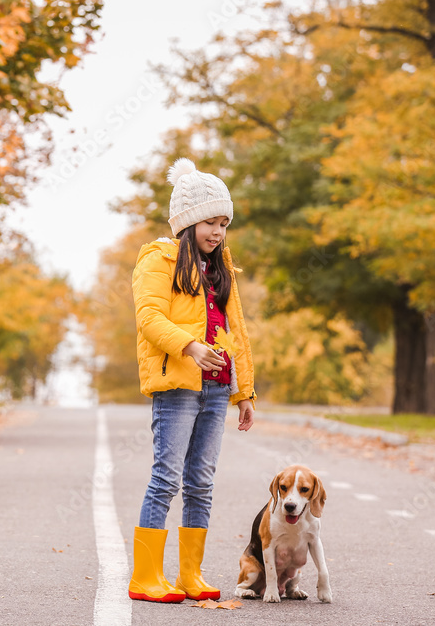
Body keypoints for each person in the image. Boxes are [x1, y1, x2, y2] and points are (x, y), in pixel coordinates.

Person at [127, 158, 257, 604]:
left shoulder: (221, 267)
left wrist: (244, 392)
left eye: (224, 223)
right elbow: (149, 319)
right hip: (178, 385)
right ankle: (145, 576)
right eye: (209, 222)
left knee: (201, 481)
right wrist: (189, 346)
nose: (218, 232)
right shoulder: (157, 260)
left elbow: (234, 329)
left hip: (218, 386)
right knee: (166, 478)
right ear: (186, 222)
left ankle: (190, 574)